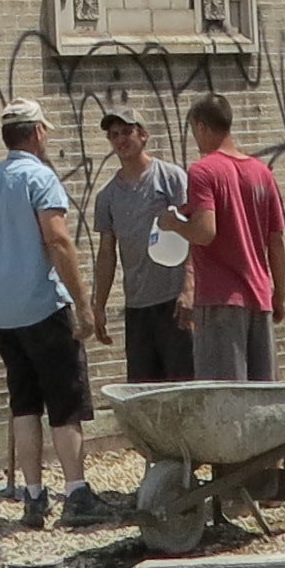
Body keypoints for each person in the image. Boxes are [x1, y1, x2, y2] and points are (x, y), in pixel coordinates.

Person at [0, 100, 105, 525]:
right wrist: (83, 306)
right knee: (65, 402)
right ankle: (76, 493)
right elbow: (58, 240)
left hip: (1, 311)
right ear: (37, 133)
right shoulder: (39, 177)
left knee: (24, 403)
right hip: (42, 304)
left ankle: (33, 495)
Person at [85, 106, 196, 385]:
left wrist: (190, 288)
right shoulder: (107, 197)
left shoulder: (170, 178)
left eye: (127, 132)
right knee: (144, 390)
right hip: (138, 306)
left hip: (174, 300)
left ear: (143, 135)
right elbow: (107, 253)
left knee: (184, 385)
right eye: (114, 135)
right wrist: (98, 305)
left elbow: (194, 232)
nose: (120, 140)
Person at [181, 92, 285, 384]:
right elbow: (275, 239)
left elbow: (205, 232)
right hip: (259, 297)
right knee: (263, 396)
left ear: (201, 126)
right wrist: (280, 294)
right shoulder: (262, 173)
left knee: (225, 397)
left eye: (194, 131)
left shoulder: (203, 170)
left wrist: (173, 224)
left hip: (219, 300)